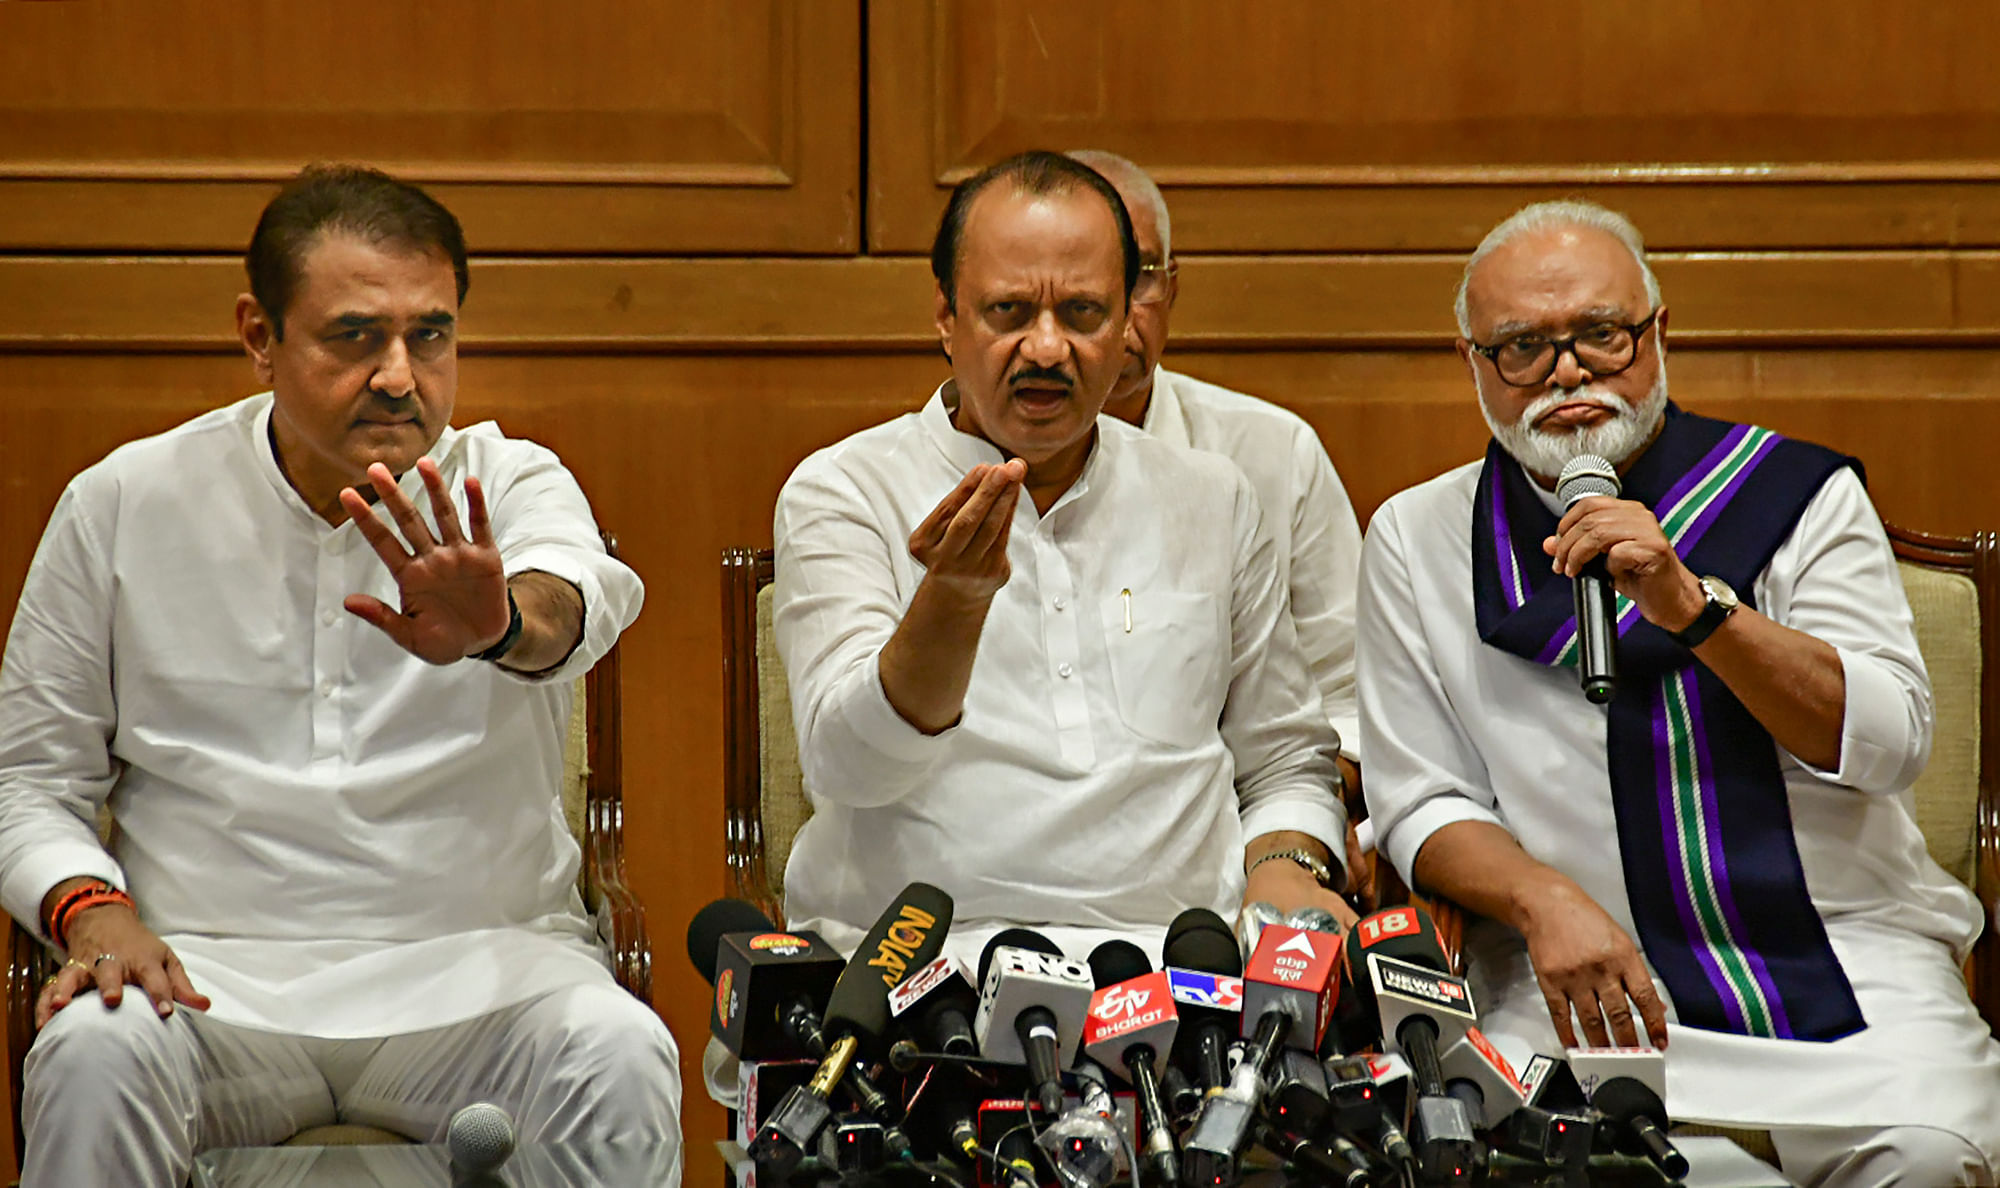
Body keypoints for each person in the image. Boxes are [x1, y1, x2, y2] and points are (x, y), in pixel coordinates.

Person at [0, 164, 682, 1186]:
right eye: (356, 335)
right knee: (93, 1051)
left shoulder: (510, 482)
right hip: (211, 982)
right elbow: (28, 777)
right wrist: (93, 913)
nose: (402, 375)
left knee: (620, 1049)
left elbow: (569, 607)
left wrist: (498, 625)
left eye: (432, 335)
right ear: (257, 335)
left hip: (483, 974)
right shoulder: (124, 503)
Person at [1357, 198, 2000, 1185]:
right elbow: (1418, 796)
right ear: (1471, 363)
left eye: (1600, 336)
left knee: (1931, 1155)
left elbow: (1888, 742)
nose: (1567, 373)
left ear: (1659, 335)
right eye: (1521, 346)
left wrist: (1693, 608)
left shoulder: (1794, 495)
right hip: (1570, 965)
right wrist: (1542, 903)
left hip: (1837, 952)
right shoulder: (1415, 534)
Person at [772, 150, 1353, 968]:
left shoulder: (1212, 494)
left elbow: (1286, 758)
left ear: (1128, 322)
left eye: (1082, 314)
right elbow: (848, 767)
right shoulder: (844, 490)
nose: (1046, 349)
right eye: (1009, 311)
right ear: (945, 315)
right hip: (922, 970)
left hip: (1184, 969)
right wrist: (953, 601)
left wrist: (1283, 866)